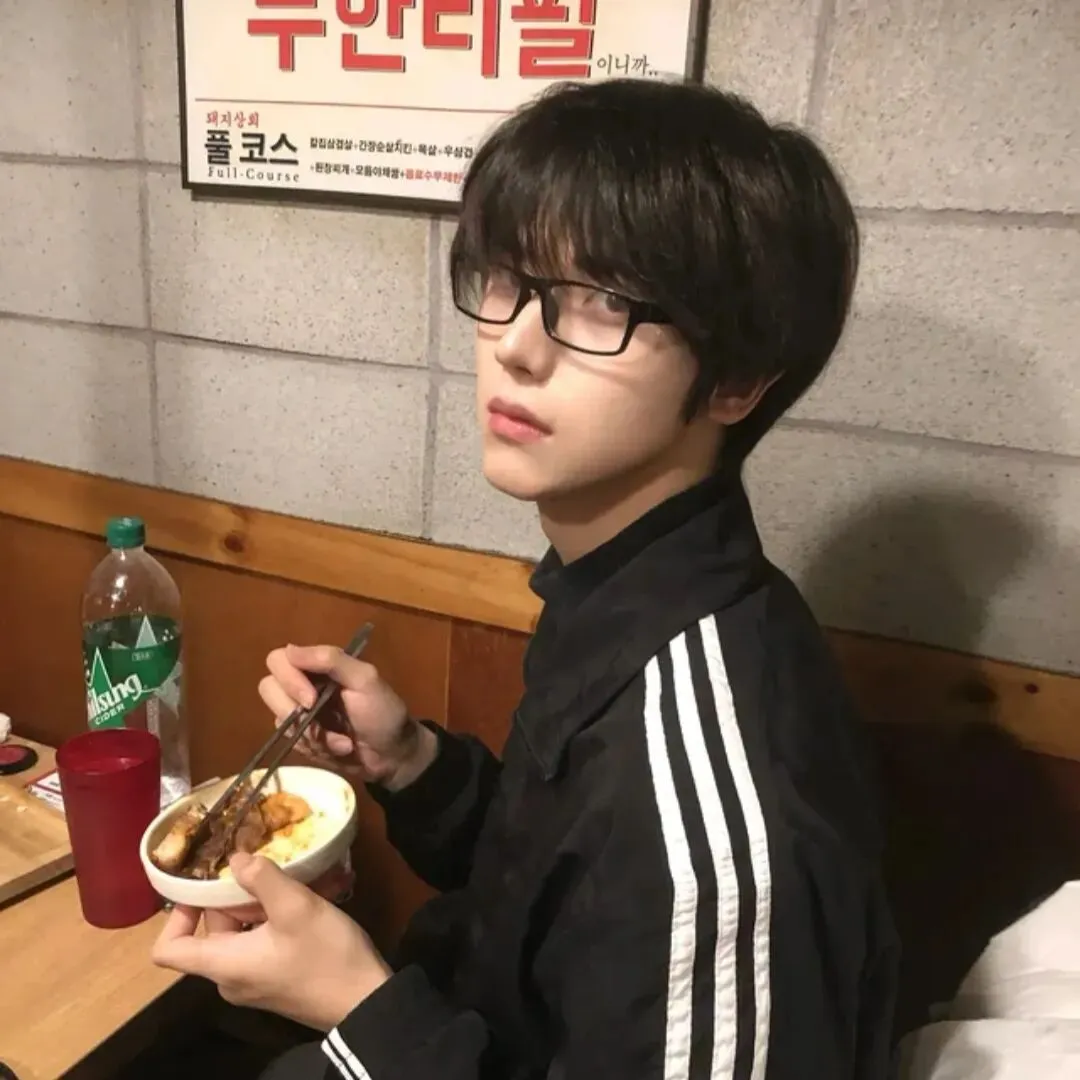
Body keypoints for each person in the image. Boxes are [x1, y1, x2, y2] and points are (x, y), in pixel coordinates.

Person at [152, 77, 899, 1079]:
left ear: (736, 380)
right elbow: (561, 902)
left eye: (606, 301)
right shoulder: (626, 591)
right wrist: (414, 764)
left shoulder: (721, 810)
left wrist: (356, 1006)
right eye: (506, 277)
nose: (513, 344)